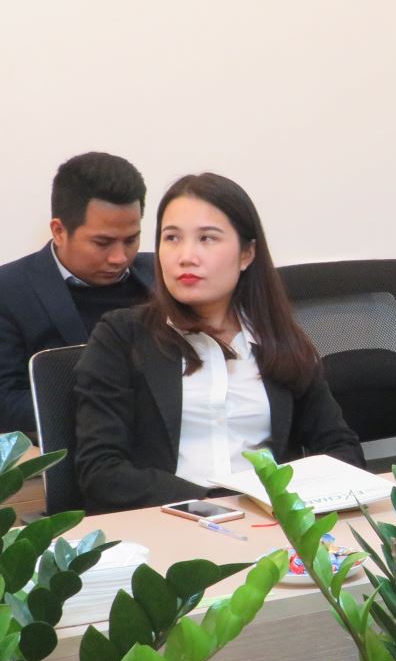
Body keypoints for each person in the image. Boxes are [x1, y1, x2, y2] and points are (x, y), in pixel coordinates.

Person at [74, 173, 363, 513]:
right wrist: (212, 504)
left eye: (207, 239)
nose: (186, 256)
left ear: (247, 254)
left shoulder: (277, 339)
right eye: (172, 238)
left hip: (268, 520)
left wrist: (286, 498)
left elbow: (341, 448)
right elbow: (101, 471)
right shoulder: (122, 336)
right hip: (168, 520)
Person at [0, 152, 156, 434]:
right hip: (70, 450)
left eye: (131, 239)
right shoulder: (9, 291)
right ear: (59, 231)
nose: (120, 257)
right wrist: (112, 404)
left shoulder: (163, 276)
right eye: (102, 243)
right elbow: (6, 404)